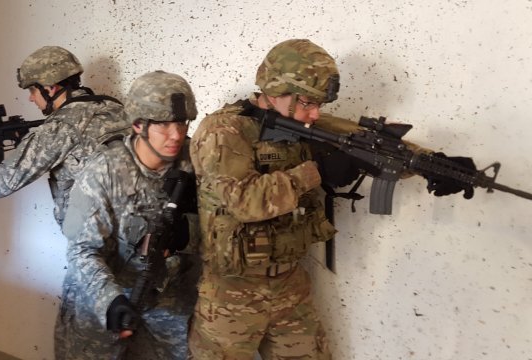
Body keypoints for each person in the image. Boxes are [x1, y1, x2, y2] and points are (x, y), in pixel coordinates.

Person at [187, 39, 474, 359]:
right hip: (230, 293)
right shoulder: (223, 131)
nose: (315, 114)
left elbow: (374, 149)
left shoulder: (304, 123)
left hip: (289, 285)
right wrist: (317, 170)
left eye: (319, 104)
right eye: (308, 102)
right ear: (278, 89)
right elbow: (244, 201)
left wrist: (433, 164)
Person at [59, 70, 200, 359]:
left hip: (170, 297)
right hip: (108, 292)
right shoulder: (103, 171)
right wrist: (110, 301)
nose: (176, 135)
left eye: (181, 123)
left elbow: (226, 224)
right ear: (138, 125)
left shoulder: (197, 160)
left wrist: (190, 232)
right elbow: (81, 251)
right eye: (162, 124)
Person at [0, 46, 129, 225]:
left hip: (94, 244)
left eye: (32, 91)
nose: (31, 99)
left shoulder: (59, 127)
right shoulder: (114, 107)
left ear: (50, 88)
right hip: (135, 232)